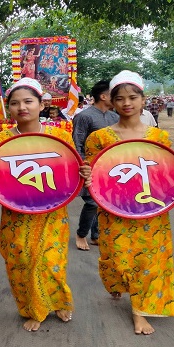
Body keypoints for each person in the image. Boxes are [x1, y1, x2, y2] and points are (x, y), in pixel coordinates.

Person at [0, 77, 91, 332]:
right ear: (9, 108)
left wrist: (84, 174)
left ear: (41, 105)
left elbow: (69, 172)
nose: (22, 107)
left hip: (51, 212)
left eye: (28, 101)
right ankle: (32, 307)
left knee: (51, 261)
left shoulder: (60, 136)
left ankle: (59, 302)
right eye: (15, 103)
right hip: (16, 214)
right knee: (22, 261)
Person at [84, 71, 174, 335]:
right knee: (118, 258)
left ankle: (140, 310)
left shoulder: (160, 138)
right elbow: (95, 174)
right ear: (111, 101)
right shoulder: (99, 138)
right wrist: (87, 174)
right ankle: (118, 282)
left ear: (143, 99)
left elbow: (168, 175)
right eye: (120, 98)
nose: (127, 103)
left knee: (148, 260)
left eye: (133, 97)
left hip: (151, 209)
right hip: (114, 208)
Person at [71, 80, 119, 251]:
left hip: (110, 169)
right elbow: (77, 143)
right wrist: (82, 167)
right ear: (103, 96)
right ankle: (81, 233)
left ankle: (96, 235)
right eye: (114, 93)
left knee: (103, 201)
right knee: (92, 202)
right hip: (89, 169)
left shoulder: (116, 117)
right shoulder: (84, 116)